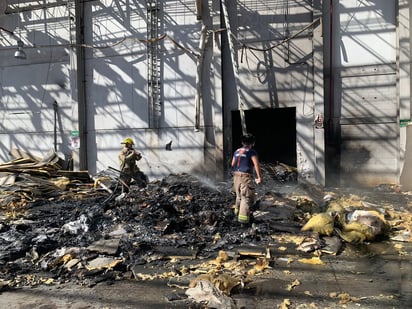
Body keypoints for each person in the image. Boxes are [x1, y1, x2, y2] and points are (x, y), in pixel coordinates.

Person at [231, 133, 262, 226]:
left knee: (239, 195)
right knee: (246, 197)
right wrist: (259, 177)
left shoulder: (237, 151)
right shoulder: (251, 152)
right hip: (245, 177)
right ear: (253, 143)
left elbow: (232, 164)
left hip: (236, 175)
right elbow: (256, 164)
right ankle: (243, 221)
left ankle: (236, 213)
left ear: (242, 142)